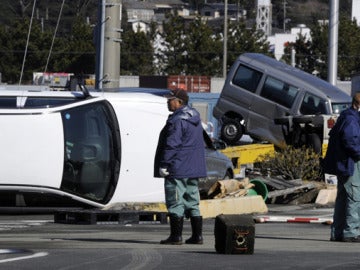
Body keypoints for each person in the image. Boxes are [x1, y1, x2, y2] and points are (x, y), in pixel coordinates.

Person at [154, 88, 207, 245]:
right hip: (194, 168)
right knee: (192, 201)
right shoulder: (195, 118)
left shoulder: (177, 120)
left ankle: (176, 236)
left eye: (170, 100)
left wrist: (164, 164)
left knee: (175, 201)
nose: (167, 102)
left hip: (178, 168)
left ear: (180, 102)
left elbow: (172, 144)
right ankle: (197, 236)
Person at [322, 92, 360, 242]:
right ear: (357, 105)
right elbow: (351, 141)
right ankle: (351, 231)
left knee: (343, 198)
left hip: (344, 164)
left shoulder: (345, 116)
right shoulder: (352, 120)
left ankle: (338, 232)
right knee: (354, 197)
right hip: (351, 163)